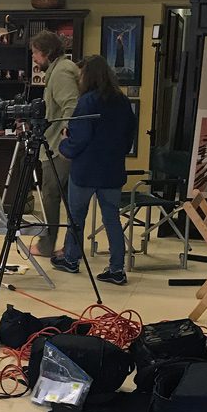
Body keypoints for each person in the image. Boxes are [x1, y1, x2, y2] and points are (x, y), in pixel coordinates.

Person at [52, 55, 135, 285]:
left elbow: (81, 136)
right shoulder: (122, 101)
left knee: (76, 216)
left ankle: (71, 259)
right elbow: (129, 134)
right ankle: (117, 269)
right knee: (112, 218)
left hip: (86, 169)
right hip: (112, 169)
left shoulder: (87, 101)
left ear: (87, 76)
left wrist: (64, 144)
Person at [28, 30, 80, 257]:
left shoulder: (60, 72)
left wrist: (67, 137)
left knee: (51, 196)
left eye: (36, 53)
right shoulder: (61, 69)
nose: (34, 58)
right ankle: (70, 248)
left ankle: (46, 245)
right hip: (60, 145)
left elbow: (71, 105)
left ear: (47, 52)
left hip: (59, 148)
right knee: (70, 200)